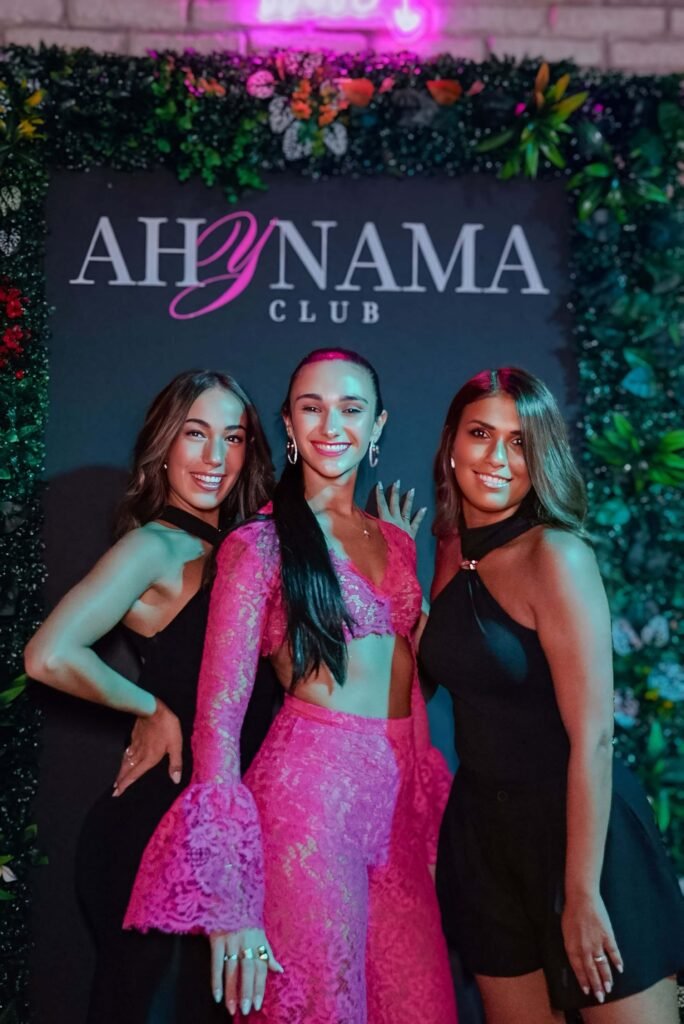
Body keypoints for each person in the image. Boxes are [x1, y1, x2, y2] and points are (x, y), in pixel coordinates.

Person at [125, 348, 458, 1024]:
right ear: (288, 423)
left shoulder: (394, 542)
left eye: (351, 409)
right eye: (312, 408)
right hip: (308, 807)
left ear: (378, 426)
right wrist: (231, 901)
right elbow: (219, 719)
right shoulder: (259, 544)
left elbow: (409, 687)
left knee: (419, 1007)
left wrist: (424, 825)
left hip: (396, 809)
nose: (331, 426)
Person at [419, 367, 684, 1024]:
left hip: (581, 837)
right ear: (451, 443)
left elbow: (594, 737)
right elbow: (443, 665)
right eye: (481, 434)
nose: (498, 458)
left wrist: (582, 892)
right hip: (484, 840)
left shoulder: (556, 556)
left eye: (520, 442)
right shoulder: (450, 548)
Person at [25, 370, 277, 1024]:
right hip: (158, 830)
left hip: (225, 831)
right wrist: (150, 709)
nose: (215, 457)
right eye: (196, 434)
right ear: (164, 445)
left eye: (233, 438)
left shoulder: (250, 548)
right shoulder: (155, 545)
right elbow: (49, 655)